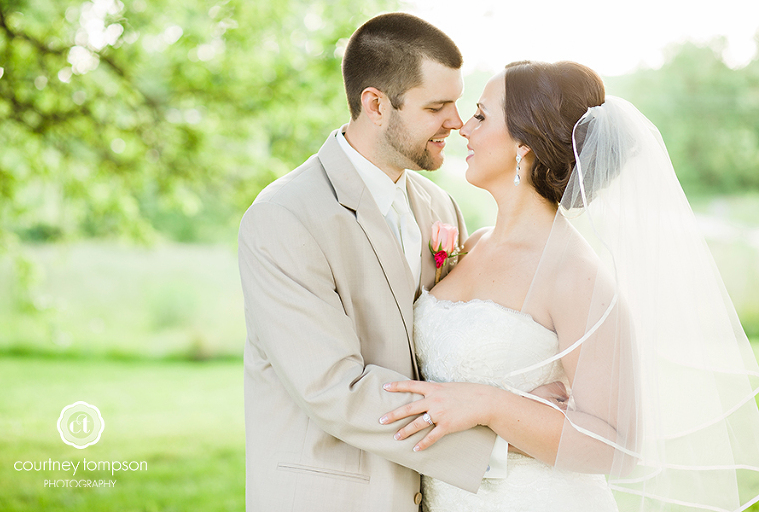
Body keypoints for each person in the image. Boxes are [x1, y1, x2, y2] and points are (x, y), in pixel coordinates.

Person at [380, 60, 759, 511]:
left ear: (523, 143)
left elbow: (618, 445)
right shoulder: (475, 244)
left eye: (481, 115)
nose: (463, 127)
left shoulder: (575, 273)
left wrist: (493, 404)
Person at [238, 13, 509, 512]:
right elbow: (332, 388)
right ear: (376, 105)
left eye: (458, 102)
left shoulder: (439, 207)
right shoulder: (284, 217)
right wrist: (501, 442)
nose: (456, 121)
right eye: (436, 106)